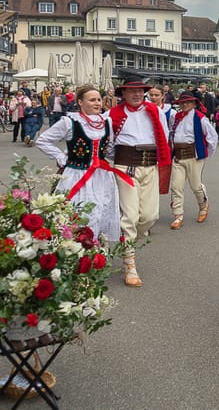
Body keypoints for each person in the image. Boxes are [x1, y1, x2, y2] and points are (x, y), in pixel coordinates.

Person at [37, 85, 132, 241]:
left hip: (102, 176)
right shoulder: (69, 122)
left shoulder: (106, 122)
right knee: (78, 211)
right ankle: (76, 247)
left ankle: (97, 247)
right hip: (77, 175)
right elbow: (43, 140)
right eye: (92, 100)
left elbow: (109, 149)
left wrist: (126, 159)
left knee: (101, 210)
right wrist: (61, 157)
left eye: (99, 100)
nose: (97, 103)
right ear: (80, 102)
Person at [107, 77, 171, 287]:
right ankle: (130, 265)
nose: (136, 94)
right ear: (123, 94)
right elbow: (108, 145)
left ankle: (131, 239)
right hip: (126, 167)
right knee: (130, 217)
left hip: (150, 166)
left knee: (150, 216)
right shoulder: (112, 114)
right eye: (131, 91)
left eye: (140, 90)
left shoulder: (155, 111)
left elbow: (164, 136)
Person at [168, 92, 217, 230]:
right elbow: (171, 134)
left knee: (196, 186)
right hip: (178, 157)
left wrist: (205, 153)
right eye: (182, 102)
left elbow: (212, 137)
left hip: (194, 156)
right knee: (176, 186)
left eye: (188, 102)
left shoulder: (200, 118)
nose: (185, 104)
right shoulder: (175, 117)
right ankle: (178, 215)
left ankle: (203, 206)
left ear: (194, 103)